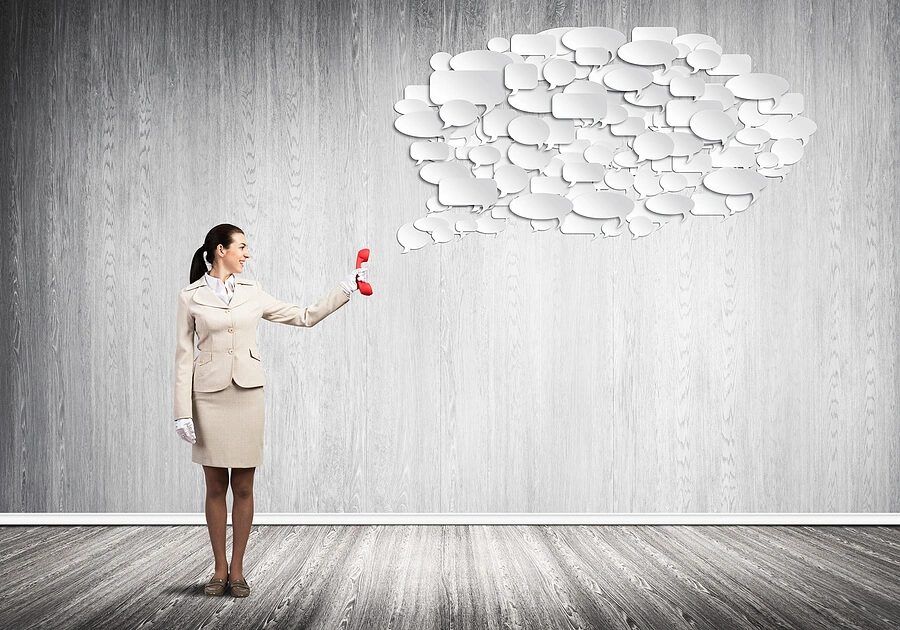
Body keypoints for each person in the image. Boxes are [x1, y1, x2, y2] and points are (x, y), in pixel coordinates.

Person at [172, 223, 368, 598]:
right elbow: (183, 357)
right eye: (241, 247)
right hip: (208, 397)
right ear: (219, 250)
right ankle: (218, 570)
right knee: (215, 486)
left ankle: (239, 570)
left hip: (247, 394)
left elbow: (304, 315)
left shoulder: (253, 291)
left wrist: (346, 287)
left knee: (243, 486)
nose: (247, 254)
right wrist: (182, 411)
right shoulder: (190, 297)